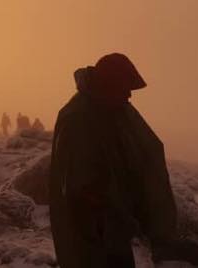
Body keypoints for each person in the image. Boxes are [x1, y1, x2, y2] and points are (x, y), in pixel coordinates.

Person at [49, 53, 177, 268]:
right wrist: (112, 218)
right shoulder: (78, 117)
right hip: (92, 231)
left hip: (113, 229)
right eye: (124, 87)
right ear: (107, 85)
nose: (129, 94)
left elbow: (145, 152)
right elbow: (80, 186)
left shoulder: (114, 110)